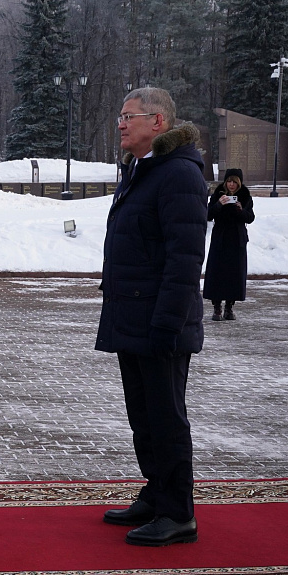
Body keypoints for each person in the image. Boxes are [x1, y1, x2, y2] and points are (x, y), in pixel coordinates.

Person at [95, 87, 208, 547]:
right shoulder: (142, 169)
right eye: (120, 116)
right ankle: (156, 493)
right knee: (143, 417)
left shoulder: (178, 174)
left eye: (129, 117)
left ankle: (178, 512)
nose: (121, 124)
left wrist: (167, 324)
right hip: (132, 315)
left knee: (165, 419)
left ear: (158, 122)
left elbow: (185, 258)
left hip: (160, 322)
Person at [202, 168, 255, 322]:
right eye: (229, 181)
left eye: (234, 182)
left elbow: (250, 217)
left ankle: (229, 307)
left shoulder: (245, 196)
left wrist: (240, 209)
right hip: (221, 238)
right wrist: (219, 204)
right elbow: (208, 215)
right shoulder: (218, 194)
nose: (231, 185)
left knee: (234, 273)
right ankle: (217, 307)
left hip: (237, 239)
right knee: (217, 272)